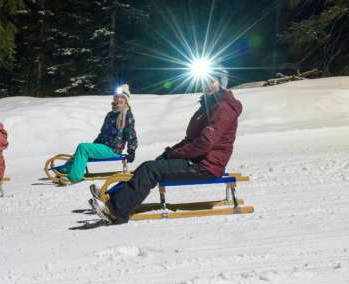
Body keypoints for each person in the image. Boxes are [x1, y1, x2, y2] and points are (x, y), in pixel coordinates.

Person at [90, 69, 241, 225]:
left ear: (221, 84)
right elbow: (190, 140)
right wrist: (171, 152)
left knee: (151, 170)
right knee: (150, 165)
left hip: (206, 166)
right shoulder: (207, 107)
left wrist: (176, 154)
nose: (207, 85)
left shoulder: (223, 108)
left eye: (212, 81)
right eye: (205, 81)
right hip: (197, 160)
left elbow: (205, 142)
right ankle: (110, 196)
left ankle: (115, 211)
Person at [57, 84, 138, 185]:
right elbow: (103, 133)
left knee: (83, 148)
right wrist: (95, 145)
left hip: (113, 149)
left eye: (122, 97)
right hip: (104, 146)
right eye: (117, 97)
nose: (119, 99)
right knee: (84, 149)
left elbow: (131, 133)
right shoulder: (110, 114)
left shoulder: (127, 115)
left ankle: (74, 177)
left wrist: (131, 151)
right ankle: (65, 170)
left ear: (126, 100)